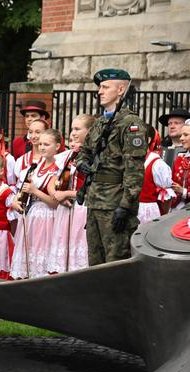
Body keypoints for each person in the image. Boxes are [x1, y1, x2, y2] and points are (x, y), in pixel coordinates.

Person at [75, 69, 147, 265]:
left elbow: (134, 171)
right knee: (95, 261)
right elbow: (84, 152)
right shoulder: (100, 123)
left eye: (105, 87)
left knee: (116, 261)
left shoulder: (131, 124)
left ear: (121, 89)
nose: (100, 91)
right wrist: (82, 164)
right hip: (95, 202)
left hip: (115, 203)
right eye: (100, 87)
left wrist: (125, 206)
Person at [47, 114, 95, 273]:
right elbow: (52, 181)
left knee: (79, 247)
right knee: (63, 248)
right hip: (66, 209)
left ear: (89, 131)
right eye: (72, 128)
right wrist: (56, 194)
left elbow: (92, 189)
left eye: (77, 129)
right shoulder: (67, 155)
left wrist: (66, 194)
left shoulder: (94, 156)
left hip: (82, 208)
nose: (73, 133)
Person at [10, 129, 60, 279]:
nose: (42, 147)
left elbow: (56, 202)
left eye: (47, 144)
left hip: (49, 216)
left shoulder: (59, 169)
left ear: (57, 146)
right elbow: (21, 191)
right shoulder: (34, 167)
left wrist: (35, 191)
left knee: (43, 253)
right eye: (41, 144)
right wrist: (15, 201)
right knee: (28, 254)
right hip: (32, 215)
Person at [137, 126, 174, 224]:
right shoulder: (129, 159)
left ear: (148, 140)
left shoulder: (156, 163)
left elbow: (167, 195)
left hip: (147, 212)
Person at [13, 119, 49, 187]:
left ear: (46, 133)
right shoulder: (22, 160)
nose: (33, 136)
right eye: (30, 132)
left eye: (37, 132)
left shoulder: (52, 159)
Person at [171, 119, 190, 210]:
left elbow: (181, 190)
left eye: (185, 135)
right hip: (176, 211)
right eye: (182, 135)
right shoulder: (179, 160)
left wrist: (183, 191)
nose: (181, 138)